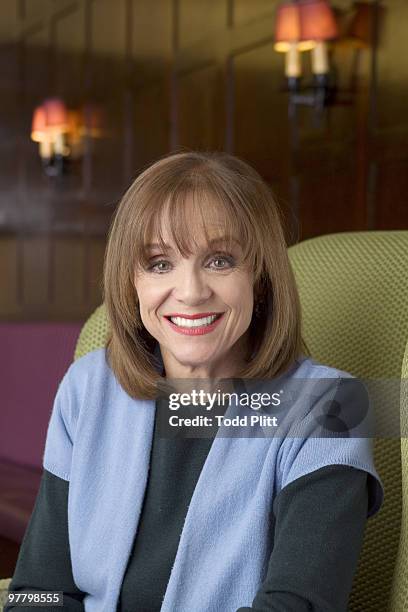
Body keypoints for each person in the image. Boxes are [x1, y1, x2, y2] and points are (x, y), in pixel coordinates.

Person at [6, 151, 384, 612]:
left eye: (220, 260)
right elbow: (37, 592)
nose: (190, 291)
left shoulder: (330, 408)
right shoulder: (87, 390)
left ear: (260, 277)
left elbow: (296, 607)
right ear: (133, 281)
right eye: (159, 263)